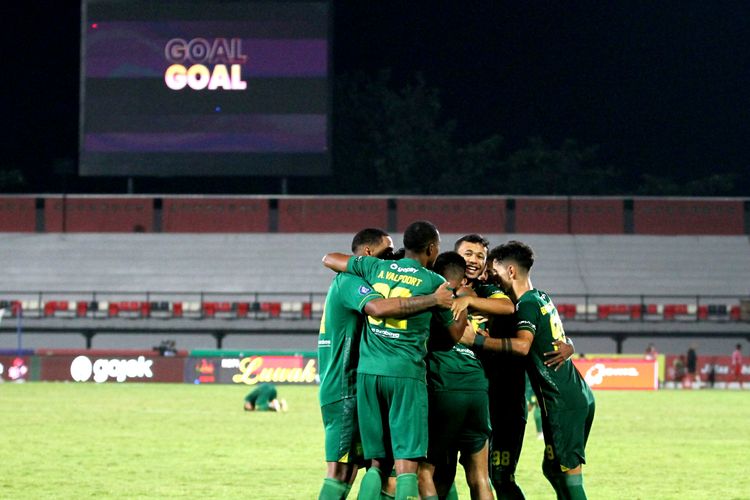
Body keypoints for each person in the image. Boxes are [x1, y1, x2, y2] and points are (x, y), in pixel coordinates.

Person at [323, 220, 468, 500]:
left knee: (376, 464)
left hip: (367, 375)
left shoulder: (374, 267)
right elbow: (451, 336)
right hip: (405, 375)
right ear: (431, 248)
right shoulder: (433, 282)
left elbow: (330, 258)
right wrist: (461, 302)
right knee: (405, 467)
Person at [464, 241, 595, 500]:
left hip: (561, 400)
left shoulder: (526, 304)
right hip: (573, 393)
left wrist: (476, 340)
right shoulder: (542, 297)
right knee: (553, 470)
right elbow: (557, 339)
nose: (494, 277)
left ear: (511, 272)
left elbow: (523, 346)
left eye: (496, 271)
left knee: (569, 476)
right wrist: (570, 344)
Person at [419, 251, 493, 500]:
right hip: (477, 389)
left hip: (445, 388)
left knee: (424, 471)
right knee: (480, 477)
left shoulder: (432, 302)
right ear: (463, 280)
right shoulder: (469, 303)